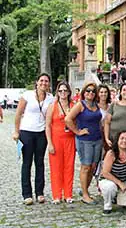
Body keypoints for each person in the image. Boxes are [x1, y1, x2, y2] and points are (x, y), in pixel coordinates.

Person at [12, 73, 54, 205]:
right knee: (27, 163)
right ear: (37, 82)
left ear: (49, 84)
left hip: (41, 133)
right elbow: (18, 114)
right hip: (27, 132)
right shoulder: (27, 95)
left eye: (46, 81)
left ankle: (40, 192)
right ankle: (27, 194)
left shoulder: (50, 98)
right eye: (41, 81)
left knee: (40, 163)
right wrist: (16, 131)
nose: (44, 83)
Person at [65, 82, 103, 205]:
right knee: (85, 166)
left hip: (97, 139)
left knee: (93, 166)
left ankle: (84, 188)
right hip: (85, 140)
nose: (90, 93)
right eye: (88, 91)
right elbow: (68, 119)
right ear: (83, 92)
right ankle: (85, 195)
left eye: (92, 91)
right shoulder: (80, 105)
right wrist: (77, 131)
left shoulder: (96, 105)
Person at [45, 81, 75, 204]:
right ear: (57, 92)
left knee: (69, 167)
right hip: (56, 139)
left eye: (65, 90)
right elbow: (47, 126)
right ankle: (56, 195)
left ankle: (68, 194)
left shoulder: (73, 105)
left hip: (69, 139)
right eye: (60, 91)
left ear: (68, 92)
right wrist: (50, 143)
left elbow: (77, 122)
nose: (63, 93)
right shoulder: (53, 106)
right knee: (56, 168)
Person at [99, 131, 126, 214]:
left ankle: (121, 200)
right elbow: (105, 173)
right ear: (117, 140)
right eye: (122, 138)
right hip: (110, 181)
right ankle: (108, 205)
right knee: (109, 187)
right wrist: (119, 183)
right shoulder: (111, 153)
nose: (124, 141)